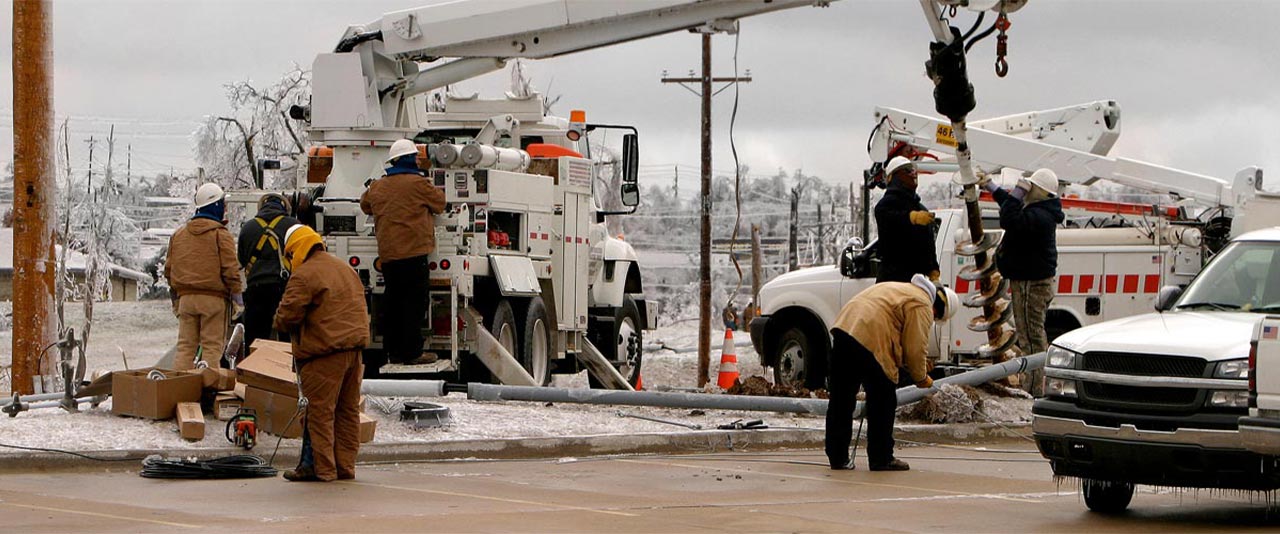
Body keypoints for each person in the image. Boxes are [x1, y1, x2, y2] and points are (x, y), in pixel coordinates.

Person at [825, 273, 958, 471]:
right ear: (938, 308)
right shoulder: (922, 302)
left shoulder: (899, 287)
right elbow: (915, 347)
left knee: (841, 398)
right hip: (871, 337)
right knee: (883, 399)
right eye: (936, 317)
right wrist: (921, 377)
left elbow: (898, 333)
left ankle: (837, 457)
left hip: (844, 330)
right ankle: (881, 457)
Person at [273, 224, 371, 482]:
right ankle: (345, 467)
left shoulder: (304, 275)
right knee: (347, 412)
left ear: (294, 250)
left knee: (319, 413)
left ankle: (323, 470)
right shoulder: (344, 269)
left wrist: (278, 322)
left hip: (324, 353)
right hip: (354, 351)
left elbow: (287, 317)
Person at [360, 139, 446, 366]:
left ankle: (392, 350)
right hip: (414, 254)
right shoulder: (419, 184)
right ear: (409, 159)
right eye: (416, 156)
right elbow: (440, 203)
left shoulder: (377, 186)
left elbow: (365, 205)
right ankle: (411, 353)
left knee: (393, 302)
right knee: (413, 305)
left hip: (388, 255)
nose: (419, 160)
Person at [981, 169, 1065, 394]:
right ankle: (1035, 385)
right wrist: (992, 187)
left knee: (1031, 338)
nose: (1026, 190)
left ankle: (1035, 389)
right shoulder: (1040, 210)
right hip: (1029, 281)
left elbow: (1009, 218)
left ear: (1040, 192)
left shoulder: (1040, 217)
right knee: (1030, 336)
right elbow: (1011, 207)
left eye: (1031, 187)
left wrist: (1018, 191)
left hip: (1031, 284)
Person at [165, 183, 243, 370]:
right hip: (213, 302)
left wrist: (176, 300)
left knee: (185, 348)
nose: (225, 209)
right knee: (211, 349)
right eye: (223, 204)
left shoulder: (179, 234)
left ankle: (180, 389)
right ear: (215, 206)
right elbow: (230, 270)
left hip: (186, 301)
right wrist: (238, 300)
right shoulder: (219, 234)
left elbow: (168, 270)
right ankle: (207, 393)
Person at [237, 193, 299, 349]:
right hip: (285, 288)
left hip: (256, 289)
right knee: (288, 336)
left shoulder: (248, 227)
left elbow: (242, 259)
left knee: (255, 338)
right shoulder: (294, 226)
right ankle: (287, 370)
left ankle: (255, 370)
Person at [874, 156, 940, 283]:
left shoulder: (921, 210)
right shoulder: (886, 205)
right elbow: (889, 218)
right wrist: (911, 218)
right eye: (907, 170)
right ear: (894, 177)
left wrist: (933, 272)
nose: (913, 173)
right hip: (891, 280)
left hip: (916, 281)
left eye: (913, 169)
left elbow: (928, 246)